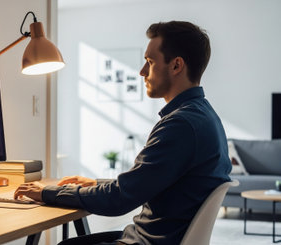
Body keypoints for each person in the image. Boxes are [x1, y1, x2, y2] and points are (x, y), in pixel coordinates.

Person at [14, 21, 232, 245]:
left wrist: (47, 192)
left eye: (150, 61)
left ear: (176, 66)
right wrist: (96, 185)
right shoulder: (204, 116)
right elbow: (142, 183)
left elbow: (118, 200)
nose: (142, 71)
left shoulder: (181, 125)